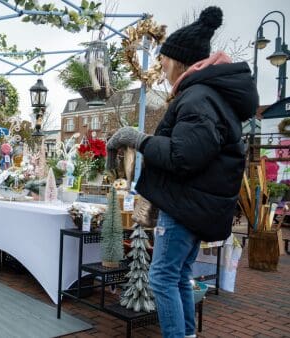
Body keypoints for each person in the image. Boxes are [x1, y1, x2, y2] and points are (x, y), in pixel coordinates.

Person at [105, 7, 257, 338]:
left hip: (184, 205)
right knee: (178, 275)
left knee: (162, 277)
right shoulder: (207, 96)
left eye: (163, 60)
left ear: (178, 60)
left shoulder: (197, 98)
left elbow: (183, 156)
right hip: (195, 205)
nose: (160, 67)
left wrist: (138, 138)